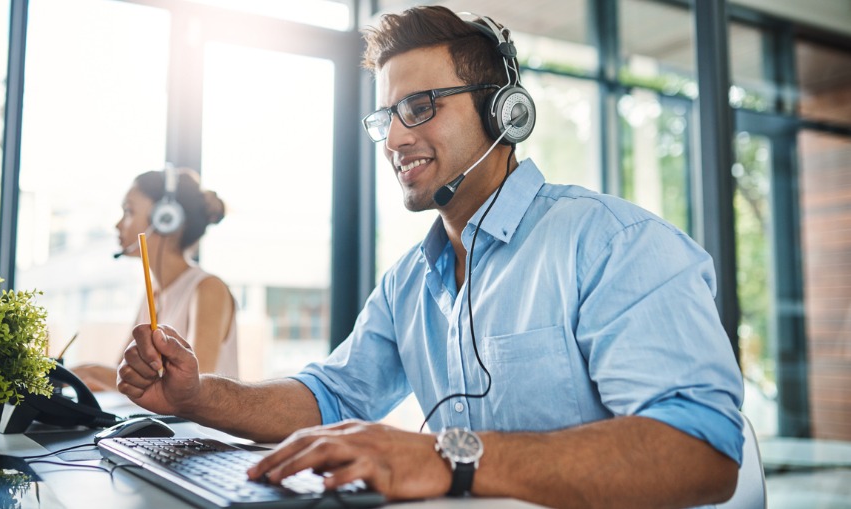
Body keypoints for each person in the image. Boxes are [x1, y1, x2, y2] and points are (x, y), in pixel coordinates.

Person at [116, 7, 745, 508]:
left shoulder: (612, 243)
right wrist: (198, 396)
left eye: (419, 107)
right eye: (386, 115)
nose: (393, 137)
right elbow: (331, 397)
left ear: (505, 112)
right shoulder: (410, 281)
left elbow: (700, 451)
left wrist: (447, 456)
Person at [73, 167, 237, 391]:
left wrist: (90, 372)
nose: (118, 225)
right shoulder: (154, 294)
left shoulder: (208, 289)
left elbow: (195, 386)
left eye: (129, 211)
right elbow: (123, 374)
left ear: (164, 218)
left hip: (198, 427)